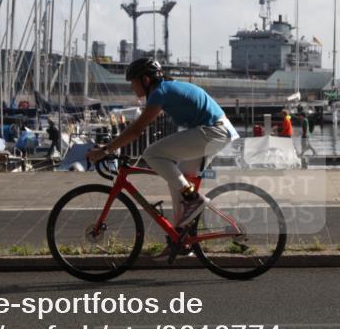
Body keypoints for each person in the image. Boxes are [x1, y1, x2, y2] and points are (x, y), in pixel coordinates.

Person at [87, 58, 239, 230]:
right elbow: (138, 128)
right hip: (215, 131)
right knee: (178, 181)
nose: (131, 87)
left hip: (213, 131)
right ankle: (181, 238)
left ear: (145, 80)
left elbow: (136, 130)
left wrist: (105, 150)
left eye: (133, 82)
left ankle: (194, 200)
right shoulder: (165, 89)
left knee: (152, 154)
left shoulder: (160, 92)